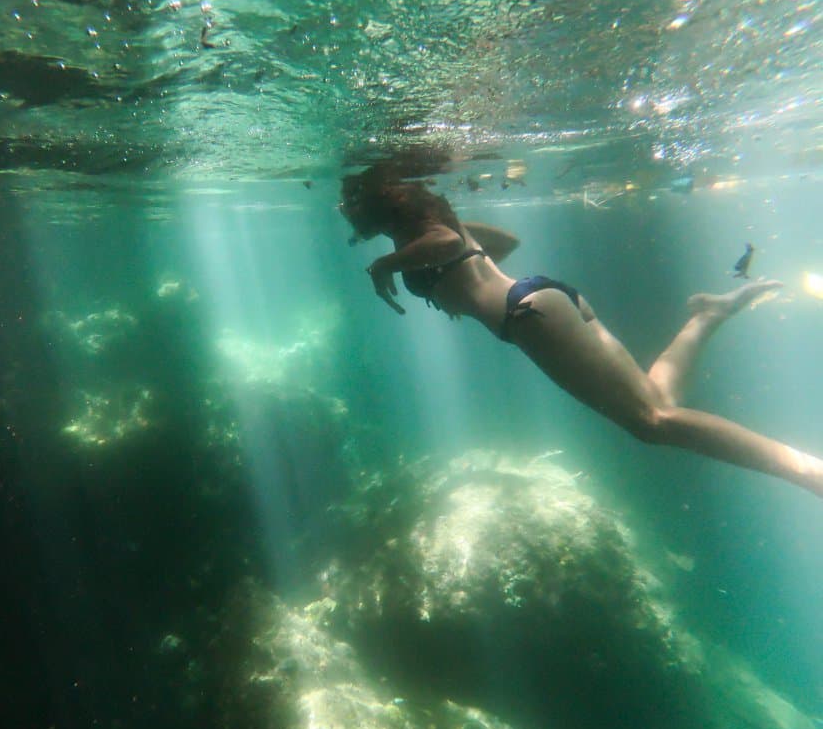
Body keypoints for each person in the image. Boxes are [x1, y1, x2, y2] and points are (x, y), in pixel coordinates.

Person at [339, 166, 823, 498]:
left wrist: (387, 264)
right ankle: (709, 314)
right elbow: (504, 242)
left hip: (526, 317)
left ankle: (809, 473)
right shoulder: (432, 227)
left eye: (350, 203)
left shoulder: (416, 237)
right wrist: (471, 273)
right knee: (656, 401)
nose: (346, 211)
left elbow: (446, 244)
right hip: (539, 298)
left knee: (653, 423)